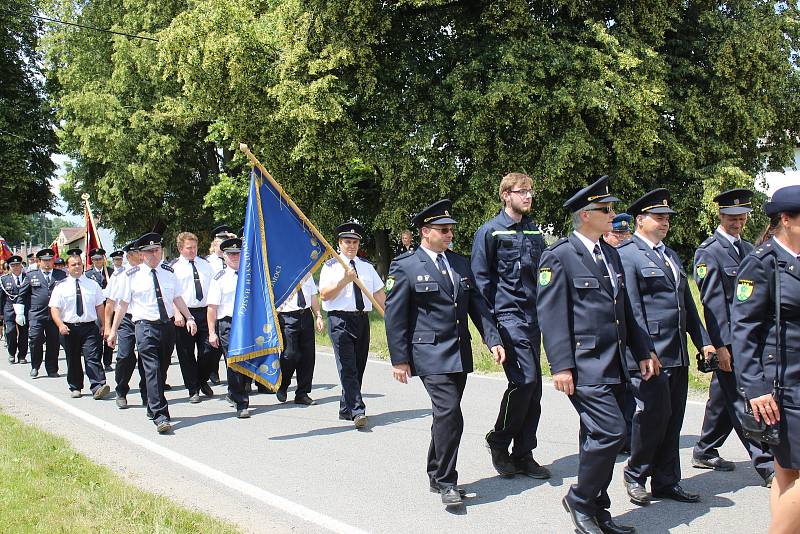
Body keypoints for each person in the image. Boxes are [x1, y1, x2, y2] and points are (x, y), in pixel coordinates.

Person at [537, 175, 657, 534]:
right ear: (585, 215)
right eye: (605, 209)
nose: (612, 214)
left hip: (617, 361)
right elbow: (552, 315)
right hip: (585, 363)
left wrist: (643, 350)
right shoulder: (558, 256)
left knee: (597, 437)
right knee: (610, 432)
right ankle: (579, 498)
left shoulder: (610, 253)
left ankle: (597, 509)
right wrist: (561, 366)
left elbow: (627, 309)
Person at [385, 199, 504, 507]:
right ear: (426, 232)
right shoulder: (406, 266)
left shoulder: (460, 263)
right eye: (443, 230)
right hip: (428, 352)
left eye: (451, 229)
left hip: (459, 351)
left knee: (445, 416)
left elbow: (477, 305)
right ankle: (448, 481)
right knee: (450, 413)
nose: (450, 234)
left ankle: (436, 474)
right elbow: (395, 316)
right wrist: (399, 359)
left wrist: (492, 339)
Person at [618, 189, 714, 507]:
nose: (665, 223)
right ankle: (635, 475)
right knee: (650, 420)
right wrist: (646, 351)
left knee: (672, 419)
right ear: (640, 220)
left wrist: (704, 343)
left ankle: (666, 480)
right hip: (650, 354)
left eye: (668, 218)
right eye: (659, 218)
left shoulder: (670, 255)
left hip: (676, 352)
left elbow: (685, 303)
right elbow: (631, 309)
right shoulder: (627, 254)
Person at [692, 188, 775, 484]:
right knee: (744, 401)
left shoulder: (747, 250)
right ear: (720, 215)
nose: (737, 222)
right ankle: (767, 465)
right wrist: (721, 346)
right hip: (731, 342)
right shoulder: (709, 251)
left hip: (751, 338)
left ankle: (704, 449)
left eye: (741, 217)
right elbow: (713, 305)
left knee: (724, 396)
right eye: (731, 217)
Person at [470, 172, 550, 479]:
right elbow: (479, 287)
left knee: (535, 388)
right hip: (507, 318)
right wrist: (491, 335)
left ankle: (524, 452)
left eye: (531, 191)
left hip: (534, 318)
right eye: (522, 191)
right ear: (506, 195)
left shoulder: (534, 233)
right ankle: (499, 441)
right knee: (525, 381)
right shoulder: (489, 232)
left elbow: (545, 277)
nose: (528, 196)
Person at [733, 185, 800, 534]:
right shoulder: (762, 263)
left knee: (787, 472)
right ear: (785, 220)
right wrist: (755, 388)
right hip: (784, 386)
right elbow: (743, 330)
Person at [106, 232, 198, 434]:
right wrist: (112, 331)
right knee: (152, 369)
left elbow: (177, 298)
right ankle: (160, 415)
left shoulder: (169, 272)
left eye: (156, 250)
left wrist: (189, 317)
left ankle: (151, 403)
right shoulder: (132, 276)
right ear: (141, 254)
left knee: (162, 368)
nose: (153, 255)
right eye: (148, 252)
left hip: (167, 326)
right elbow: (122, 306)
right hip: (144, 326)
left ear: (161, 251)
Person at [319, 222, 385, 428]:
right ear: (339, 243)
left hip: (361, 320)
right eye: (347, 241)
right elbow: (324, 295)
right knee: (347, 367)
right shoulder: (330, 267)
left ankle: (345, 408)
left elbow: (379, 295)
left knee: (358, 366)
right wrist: (344, 281)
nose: (351, 245)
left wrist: (389, 316)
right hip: (340, 320)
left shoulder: (366, 267)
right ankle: (358, 410)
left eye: (355, 242)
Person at [49, 250, 109, 399]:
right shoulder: (60, 286)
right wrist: (60, 325)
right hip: (69, 327)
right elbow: (54, 308)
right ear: (67, 268)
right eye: (73, 264)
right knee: (73, 358)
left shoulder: (92, 285)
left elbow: (99, 307)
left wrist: (104, 325)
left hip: (90, 327)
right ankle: (76, 387)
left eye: (79, 264)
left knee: (93, 356)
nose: (77, 267)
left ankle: (98, 386)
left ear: (83, 266)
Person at [171, 231, 217, 403]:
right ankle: (193, 388)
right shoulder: (174, 267)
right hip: (184, 312)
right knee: (186, 353)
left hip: (205, 311)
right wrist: (177, 314)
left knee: (209, 350)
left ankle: (202, 380)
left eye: (195, 247)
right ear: (180, 249)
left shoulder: (205, 264)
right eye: (189, 248)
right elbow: (172, 294)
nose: (193, 251)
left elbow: (213, 287)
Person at [207, 237, 250, 417]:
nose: (235, 257)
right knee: (233, 362)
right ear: (224, 256)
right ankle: (242, 403)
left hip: (248, 323)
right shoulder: (219, 279)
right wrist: (211, 332)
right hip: (228, 324)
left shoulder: (251, 275)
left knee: (246, 359)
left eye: (238, 253)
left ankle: (234, 392)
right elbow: (212, 307)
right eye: (231, 254)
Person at [106, 241, 147, 409]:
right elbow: (110, 302)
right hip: (125, 320)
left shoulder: (148, 272)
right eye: (137, 253)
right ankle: (121, 390)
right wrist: (109, 328)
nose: (140, 256)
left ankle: (147, 393)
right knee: (124, 356)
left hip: (144, 319)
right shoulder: (119, 276)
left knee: (147, 357)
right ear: (129, 256)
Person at [275, 273, 324, 405]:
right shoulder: (280, 273)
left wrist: (318, 315)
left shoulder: (307, 272)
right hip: (287, 317)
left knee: (307, 356)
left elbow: (313, 295)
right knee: (290, 354)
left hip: (306, 315)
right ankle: (283, 385)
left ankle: (302, 393)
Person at [27, 248, 66, 378]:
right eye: (45, 261)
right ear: (39, 262)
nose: (48, 263)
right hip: (37, 314)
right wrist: (20, 311)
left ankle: (52, 369)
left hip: (54, 315)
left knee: (53, 342)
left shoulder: (61, 275)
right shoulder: (31, 275)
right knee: (35, 340)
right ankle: (35, 366)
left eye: (50, 260)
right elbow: (24, 296)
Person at [86, 248, 114, 371]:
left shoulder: (111, 272)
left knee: (109, 333)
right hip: (95, 309)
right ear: (92, 261)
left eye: (100, 259)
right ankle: (97, 360)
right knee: (97, 335)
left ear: (104, 259)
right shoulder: (87, 274)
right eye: (95, 259)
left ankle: (107, 361)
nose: (98, 261)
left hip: (109, 307)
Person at [0, 255, 30, 364]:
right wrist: (0, 313)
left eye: (18, 265)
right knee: (10, 331)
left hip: (24, 309)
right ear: (10, 267)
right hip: (9, 310)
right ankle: (11, 353)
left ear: (21, 265)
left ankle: (22, 355)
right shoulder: (4, 279)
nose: (16, 267)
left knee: (23, 334)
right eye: (13, 265)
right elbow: (1, 297)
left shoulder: (28, 277)